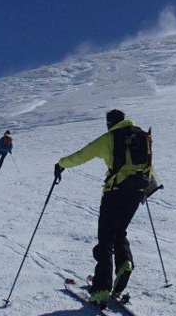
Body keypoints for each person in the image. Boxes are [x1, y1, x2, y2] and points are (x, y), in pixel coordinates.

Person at [54, 109, 153, 307]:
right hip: (138, 191)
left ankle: (100, 290)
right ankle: (125, 263)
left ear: (109, 123)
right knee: (120, 232)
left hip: (115, 192)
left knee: (105, 240)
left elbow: (82, 155)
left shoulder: (109, 138)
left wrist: (61, 164)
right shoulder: (141, 135)